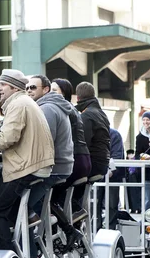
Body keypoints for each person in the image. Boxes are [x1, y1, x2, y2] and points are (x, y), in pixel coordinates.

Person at [0, 69, 55, 251]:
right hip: (34, 163)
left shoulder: (18, 104)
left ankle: (4, 256)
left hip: (27, 166)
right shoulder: (25, 102)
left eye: (3, 84)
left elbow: (9, 136)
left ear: (14, 87)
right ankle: (28, 215)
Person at [27, 75, 82, 247]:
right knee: (41, 200)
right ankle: (61, 228)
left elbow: (44, 139)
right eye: (27, 87)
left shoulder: (47, 108)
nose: (29, 90)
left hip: (54, 166)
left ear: (45, 90)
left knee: (18, 202)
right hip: (63, 164)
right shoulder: (52, 106)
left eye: (33, 87)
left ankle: (36, 241)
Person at [50, 79, 92, 221]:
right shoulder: (71, 108)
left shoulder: (60, 108)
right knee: (58, 197)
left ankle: (67, 228)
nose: (50, 93)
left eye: (54, 90)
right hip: (83, 159)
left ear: (64, 93)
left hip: (75, 160)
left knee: (46, 197)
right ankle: (74, 216)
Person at [73, 82, 110, 214]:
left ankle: (73, 214)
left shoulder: (86, 115)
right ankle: (75, 215)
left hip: (92, 164)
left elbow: (83, 143)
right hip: (102, 163)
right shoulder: (100, 113)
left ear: (77, 98)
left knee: (60, 186)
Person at [97, 128, 124, 229]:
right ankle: (95, 228)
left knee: (112, 204)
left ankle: (111, 228)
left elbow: (117, 154)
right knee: (95, 203)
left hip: (113, 175)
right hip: (97, 174)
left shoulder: (114, 135)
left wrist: (111, 170)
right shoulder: (92, 133)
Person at [132, 111, 150, 212]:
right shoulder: (139, 136)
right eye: (144, 120)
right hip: (146, 170)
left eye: (148, 119)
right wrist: (141, 156)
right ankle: (148, 217)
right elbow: (138, 153)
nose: (146, 122)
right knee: (147, 196)